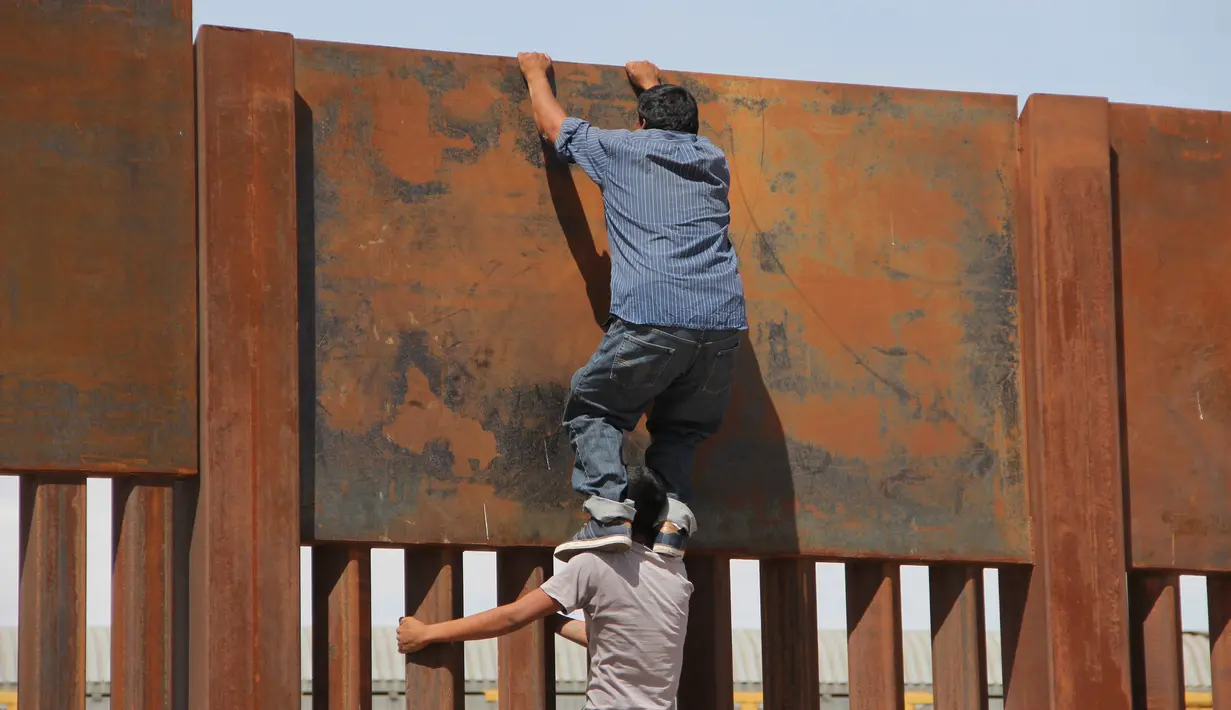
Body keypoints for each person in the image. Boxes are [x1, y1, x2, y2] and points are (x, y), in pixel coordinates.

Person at [517, 52, 747, 562]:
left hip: (653, 317)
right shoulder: (712, 158)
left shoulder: (621, 149)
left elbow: (555, 128)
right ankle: (672, 517)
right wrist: (652, 84)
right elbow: (676, 127)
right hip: (722, 323)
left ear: (639, 124)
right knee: (682, 427)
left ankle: (607, 513)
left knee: (594, 404)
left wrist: (536, 73)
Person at [397, 465, 693, 710]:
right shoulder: (675, 575)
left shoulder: (596, 564)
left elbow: (512, 617)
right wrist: (552, 620)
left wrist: (426, 633)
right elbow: (621, 639)